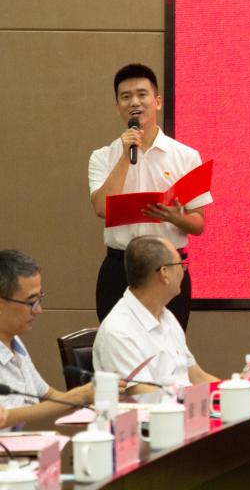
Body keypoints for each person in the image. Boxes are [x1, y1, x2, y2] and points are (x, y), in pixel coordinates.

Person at [88, 63, 212, 330]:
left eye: (142, 94)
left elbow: (198, 224)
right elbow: (102, 209)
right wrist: (125, 155)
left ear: (157, 101)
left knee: (168, 348)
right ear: (118, 107)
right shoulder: (102, 157)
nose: (134, 102)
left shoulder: (186, 156)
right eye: (126, 96)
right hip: (119, 268)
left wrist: (176, 217)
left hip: (168, 268)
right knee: (117, 346)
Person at [93, 237, 218, 393]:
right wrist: (199, 401)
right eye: (181, 264)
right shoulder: (119, 331)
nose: (183, 270)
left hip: (185, 404)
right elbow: (143, 395)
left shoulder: (166, 317)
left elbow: (196, 377)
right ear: (164, 273)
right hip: (159, 407)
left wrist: (236, 390)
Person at [0, 250, 94, 427]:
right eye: (31, 302)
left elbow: (47, 394)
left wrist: (92, 402)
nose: (38, 310)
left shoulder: (14, 341)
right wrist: (78, 396)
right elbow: (3, 418)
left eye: (39, 299)